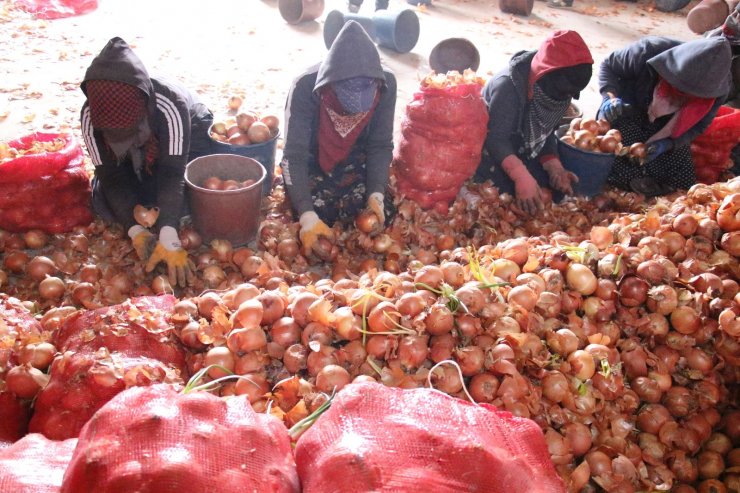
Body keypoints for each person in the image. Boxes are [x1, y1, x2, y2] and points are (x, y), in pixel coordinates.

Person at [80, 37, 214, 287]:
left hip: (190, 127)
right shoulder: (90, 116)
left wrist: (169, 235)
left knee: (187, 196)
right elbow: (109, 176)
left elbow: (173, 173)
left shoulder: (168, 104)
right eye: (111, 133)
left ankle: (163, 214)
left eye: (123, 130)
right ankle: (146, 208)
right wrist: (135, 231)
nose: (117, 137)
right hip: (139, 148)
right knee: (103, 202)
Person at [280, 21, 396, 254]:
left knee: (382, 211)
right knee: (317, 211)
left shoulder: (386, 84)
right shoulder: (305, 86)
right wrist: (307, 215)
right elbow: (293, 156)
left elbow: (380, 145)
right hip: (314, 160)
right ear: (329, 84)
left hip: (356, 158)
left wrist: (376, 194)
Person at [475, 30, 593, 215]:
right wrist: (519, 175)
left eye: (574, 93)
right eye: (566, 93)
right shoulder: (508, 87)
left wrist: (554, 167)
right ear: (543, 76)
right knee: (502, 198)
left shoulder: (555, 93)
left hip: (521, 144)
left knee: (552, 193)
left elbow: (545, 132)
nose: (570, 98)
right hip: (489, 145)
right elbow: (496, 139)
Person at [598, 36, 732, 196]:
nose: (682, 98)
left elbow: (699, 126)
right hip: (626, 109)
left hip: (671, 125)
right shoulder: (647, 51)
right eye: (681, 92)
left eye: (692, 97)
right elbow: (608, 66)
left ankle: (652, 200)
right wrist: (609, 96)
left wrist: (668, 144)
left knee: (681, 182)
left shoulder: (718, 88)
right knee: (613, 158)